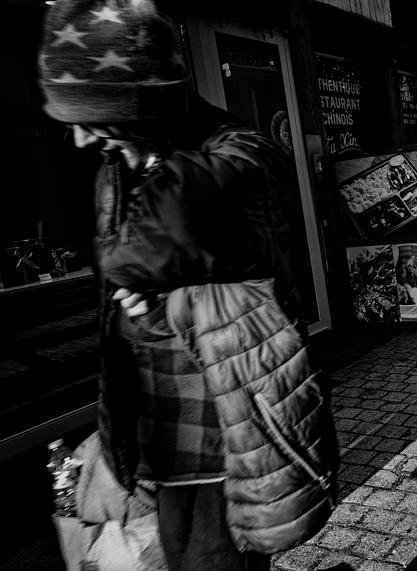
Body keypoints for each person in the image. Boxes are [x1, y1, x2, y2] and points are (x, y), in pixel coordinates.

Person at [38, 1, 329, 568]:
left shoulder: (242, 154)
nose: (77, 142)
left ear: (142, 104)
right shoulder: (117, 168)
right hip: (159, 429)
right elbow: (133, 280)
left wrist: (142, 272)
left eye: (90, 118)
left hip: (228, 428)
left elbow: (164, 229)